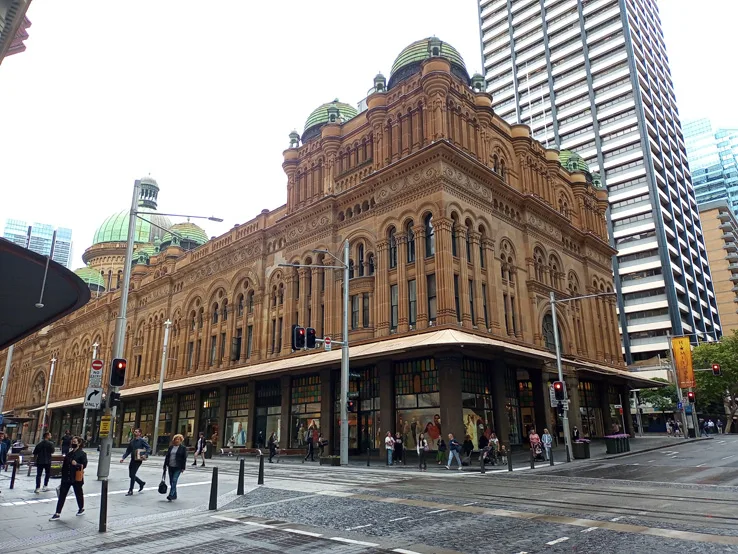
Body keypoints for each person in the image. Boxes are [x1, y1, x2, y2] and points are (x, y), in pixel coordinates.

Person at [49, 436, 87, 520]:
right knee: (62, 495)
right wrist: (62, 476)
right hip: (66, 477)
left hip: (76, 477)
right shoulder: (69, 454)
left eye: (75, 442)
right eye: (72, 442)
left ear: (79, 443)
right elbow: (64, 466)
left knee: (78, 494)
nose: (73, 443)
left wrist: (76, 464)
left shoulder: (82, 454)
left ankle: (81, 508)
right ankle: (57, 513)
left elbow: (84, 465)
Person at [120, 428, 150, 495]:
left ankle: (130, 490)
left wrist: (145, 454)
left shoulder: (142, 440)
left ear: (140, 433)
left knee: (132, 475)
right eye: (135, 432)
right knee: (131, 475)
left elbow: (148, 448)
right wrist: (123, 458)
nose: (135, 433)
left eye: (136, 432)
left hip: (138, 460)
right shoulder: (132, 441)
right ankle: (141, 483)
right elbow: (128, 451)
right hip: (132, 459)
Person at [164, 434, 187, 502]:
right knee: (171, 481)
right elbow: (167, 456)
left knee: (174, 480)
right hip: (170, 466)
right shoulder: (171, 447)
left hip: (178, 467)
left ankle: (171, 495)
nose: (177, 441)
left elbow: (184, 458)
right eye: (175, 439)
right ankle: (174, 494)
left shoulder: (183, 448)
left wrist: (183, 467)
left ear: (181, 441)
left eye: (178, 439)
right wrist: (165, 465)